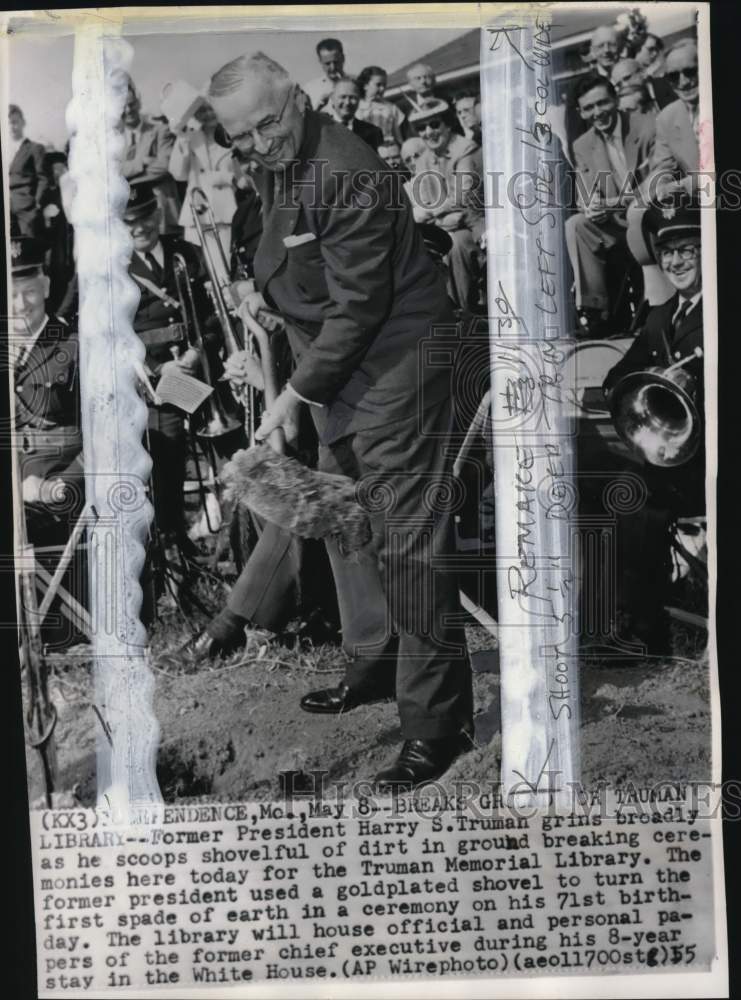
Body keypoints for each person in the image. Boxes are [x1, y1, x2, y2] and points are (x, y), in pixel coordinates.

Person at [208, 51, 473, 789]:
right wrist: (275, 336)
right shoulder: (275, 157)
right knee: (344, 523)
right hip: (335, 372)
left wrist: (293, 397)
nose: (258, 144)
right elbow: (293, 268)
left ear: (298, 99)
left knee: (408, 544)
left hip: (395, 370)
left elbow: (358, 307)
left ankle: (437, 726)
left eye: (267, 125)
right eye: (240, 136)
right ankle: (376, 660)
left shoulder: (347, 169)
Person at [601, 202, 704, 655]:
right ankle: (628, 616)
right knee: (617, 489)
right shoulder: (660, 315)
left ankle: (645, 631)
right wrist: (647, 380)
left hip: (711, 461)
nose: (675, 262)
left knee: (639, 501)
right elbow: (615, 379)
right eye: (666, 253)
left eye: (687, 250)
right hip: (674, 457)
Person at [123, 179, 206, 547]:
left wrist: (198, 351)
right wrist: (159, 369)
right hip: (155, 380)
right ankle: (172, 534)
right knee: (167, 447)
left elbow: (210, 314)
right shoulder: (115, 268)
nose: (139, 228)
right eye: (129, 222)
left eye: (144, 217)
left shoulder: (185, 253)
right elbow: (109, 334)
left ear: (157, 215)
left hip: (198, 366)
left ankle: (231, 523)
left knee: (233, 440)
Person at [564, 75, 655, 334]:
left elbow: (655, 185)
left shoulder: (646, 127)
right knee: (576, 225)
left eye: (602, 103)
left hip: (650, 215)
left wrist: (613, 204)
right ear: (581, 112)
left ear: (615, 100)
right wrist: (591, 206)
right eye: (589, 108)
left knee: (637, 212)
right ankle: (596, 311)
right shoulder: (582, 145)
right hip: (616, 225)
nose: (597, 112)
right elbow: (585, 193)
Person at [411, 99, 484, 312]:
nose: (428, 132)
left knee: (456, 247)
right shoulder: (423, 160)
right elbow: (422, 200)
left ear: (448, 125)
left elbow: (463, 197)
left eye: (434, 124)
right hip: (443, 226)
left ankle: (462, 312)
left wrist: (433, 212)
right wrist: (441, 217)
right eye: (422, 128)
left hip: (475, 224)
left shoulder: (465, 149)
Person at [168, 100, 239, 258]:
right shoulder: (189, 137)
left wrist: (223, 178)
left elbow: (240, 173)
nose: (208, 114)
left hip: (226, 209)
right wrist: (182, 139)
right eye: (202, 110)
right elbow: (178, 174)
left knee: (229, 261)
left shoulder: (233, 134)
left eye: (211, 108)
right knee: (204, 266)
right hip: (199, 211)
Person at [120, 78, 181, 233]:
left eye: (131, 104)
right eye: (122, 107)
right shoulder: (112, 141)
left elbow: (165, 166)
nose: (128, 110)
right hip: (130, 218)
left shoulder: (161, 130)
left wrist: (126, 180)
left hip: (162, 212)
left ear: (138, 102)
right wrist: (140, 163)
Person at [646, 40, 700, 203]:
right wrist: (661, 184)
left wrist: (683, 185)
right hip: (696, 201)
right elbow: (662, 166)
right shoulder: (667, 117)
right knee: (637, 212)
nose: (683, 82)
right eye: (674, 76)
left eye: (690, 72)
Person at [39, 151, 75, 315]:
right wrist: (46, 217)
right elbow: (46, 225)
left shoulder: (73, 188)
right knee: (59, 275)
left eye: (62, 168)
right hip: (58, 244)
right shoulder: (49, 193)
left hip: (73, 239)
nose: (60, 172)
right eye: (56, 170)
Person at [7, 104, 47, 237]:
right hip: (6, 209)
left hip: (26, 210)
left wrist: (36, 203)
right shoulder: (5, 150)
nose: (11, 127)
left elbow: (43, 179)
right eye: (7, 123)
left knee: (28, 247)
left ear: (23, 122)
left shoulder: (35, 148)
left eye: (14, 122)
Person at [325, 77, 383, 151]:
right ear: (332, 99)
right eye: (343, 97)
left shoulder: (374, 133)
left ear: (359, 100)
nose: (347, 102)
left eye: (352, 97)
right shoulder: (322, 131)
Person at [356, 65, 405, 145]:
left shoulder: (390, 108)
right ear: (365, 85)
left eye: (384, 85)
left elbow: (398, 136)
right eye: (378, 85)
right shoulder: (356, 107)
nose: (382, 89)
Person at [303, 38, 347, 112]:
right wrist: (318, 108)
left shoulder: (358, 84)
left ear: (343, 58)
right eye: (327, 63)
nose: (333, 67)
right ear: (320, 61)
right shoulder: (309, 89)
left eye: (336, 62)